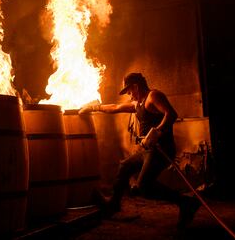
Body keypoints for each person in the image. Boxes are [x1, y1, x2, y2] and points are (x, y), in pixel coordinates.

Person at [79, 72, 200, 229]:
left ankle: (186, 203)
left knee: (144, 186)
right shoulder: (138, 103)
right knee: (125, 166)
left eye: (129, 91)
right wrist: (93, 107)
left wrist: (157, 131)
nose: (129, 96)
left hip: (161, 149)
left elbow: (171, 114)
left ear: (136, 86)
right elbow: (116, 107)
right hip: (147, 150)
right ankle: (113, 205)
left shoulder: (153, 96)